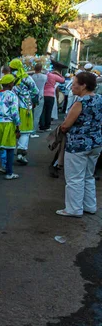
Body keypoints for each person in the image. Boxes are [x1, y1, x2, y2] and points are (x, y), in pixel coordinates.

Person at [56, 72, 102, 217]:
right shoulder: (100, 99)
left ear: (83, 86)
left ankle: (73, 209)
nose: (72, 86)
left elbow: (66, 125)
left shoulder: (80, 103)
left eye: (75, 83)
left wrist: (61, 130)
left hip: (78, 145)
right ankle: (90, 206)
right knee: (89, 175)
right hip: (96, 143)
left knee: (74, 178)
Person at [9, 59, 39, 165]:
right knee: (25, 132)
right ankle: (21, 154)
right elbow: (36, 91)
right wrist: (33, 101)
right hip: (25, 108)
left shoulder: (8, 78)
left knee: (10, 130)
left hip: (9, 108)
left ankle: (7, 156)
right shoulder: (26, 78)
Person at [0, 74, 22, 180]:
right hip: (8, 124)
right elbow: (14, 112)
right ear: (10, 84)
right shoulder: (12, 95)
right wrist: (18, 127)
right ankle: (9, 172)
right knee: (10, 149)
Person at [42, 61, 66, 132]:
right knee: (48, 111)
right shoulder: (53, 76)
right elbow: (63, 80)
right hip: (50, 95)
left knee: (43, 111)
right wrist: (58, 74)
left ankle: (42, 125)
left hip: (43, 94)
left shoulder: (44, 76)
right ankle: (47, 126)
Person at [31, 64, 48, 132]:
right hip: (40, 95)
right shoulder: (45, 77)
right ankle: (33, 130)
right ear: (41, 69)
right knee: (37, 115)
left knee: (31, 114)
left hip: (32, 96)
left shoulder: (31, 77)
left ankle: (29, 129)